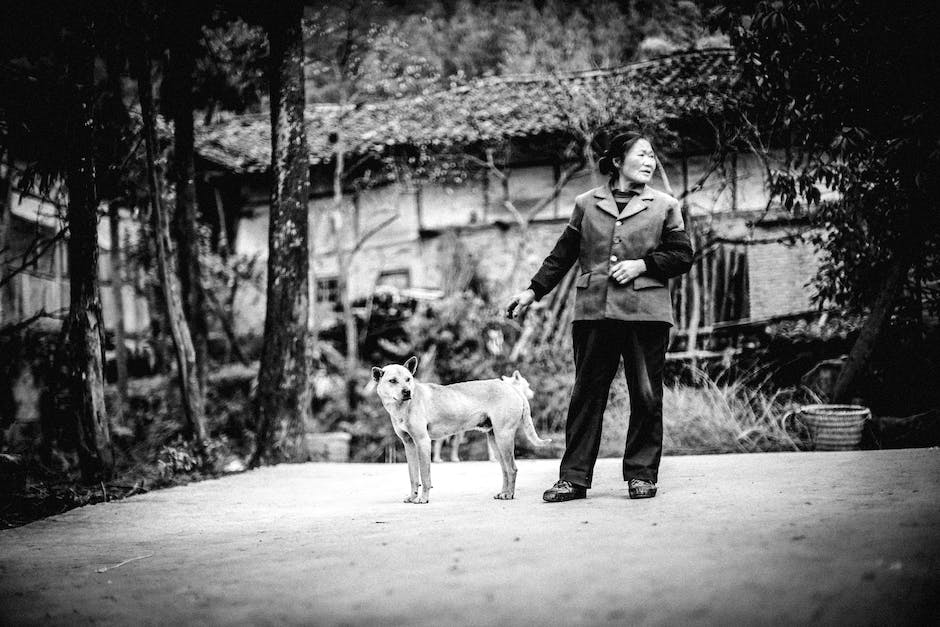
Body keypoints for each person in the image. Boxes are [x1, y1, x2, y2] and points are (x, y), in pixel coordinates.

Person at [505, 131, 694, 502]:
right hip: (594, 312)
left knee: (645, 394)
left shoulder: (665, 205)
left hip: (646, 314)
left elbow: (682, 255)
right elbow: (563, 254)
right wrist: (532, 292)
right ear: (618, 161)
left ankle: (641, 475)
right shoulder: (586, 204)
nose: (649, 162)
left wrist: (643, 265)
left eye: (652, 157)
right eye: (641, 155)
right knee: (587, 395)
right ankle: (573, 479)